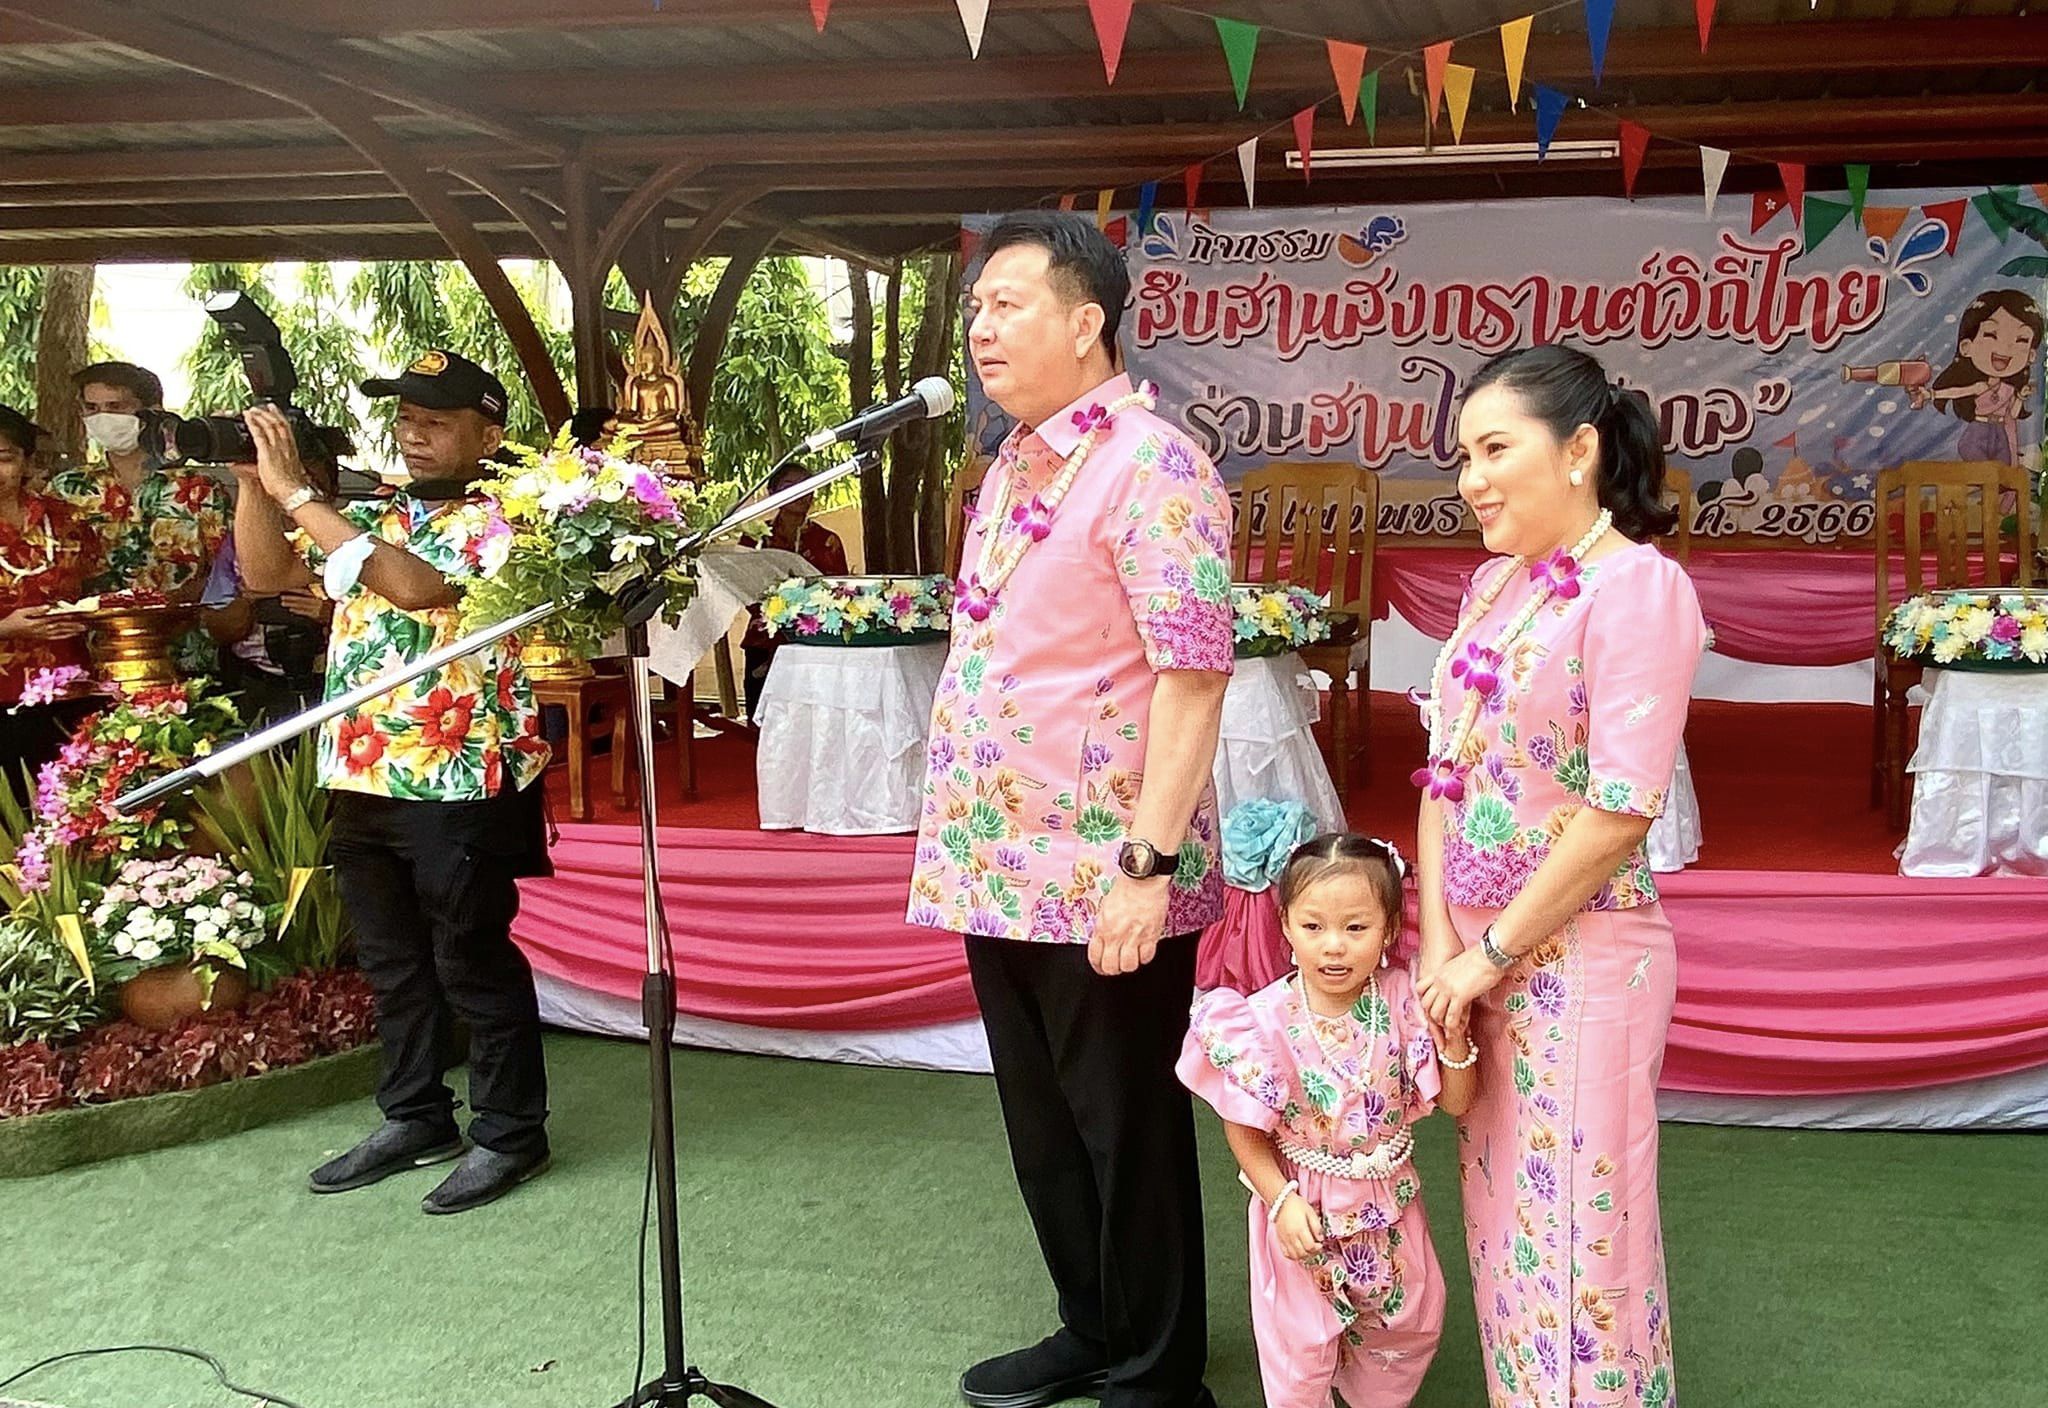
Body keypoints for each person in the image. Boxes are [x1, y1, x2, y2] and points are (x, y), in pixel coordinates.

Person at [910, 211, 1233, 1408]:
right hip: (997, 862)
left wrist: (1145, 865)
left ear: (1086, 321)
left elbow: (1192, 681)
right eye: (975, 309)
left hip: (1106, 871)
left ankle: (1156, 1372)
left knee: (1124, 1127)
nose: (981, 329)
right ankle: (1090, 1326)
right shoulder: (1011, 465)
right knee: (1043, 1125)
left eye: (1008, 304)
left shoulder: (1155, 468)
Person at [1412, 345, 1705, 1408]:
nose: (1471, 480)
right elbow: (1441, 770)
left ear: (1578, 450)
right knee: (1506, 1228)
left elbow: (1620, 810)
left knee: (1582, 1237)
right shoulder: (1494, 585)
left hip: (1580, 965)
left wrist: (1489, 952)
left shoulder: (1640, 588)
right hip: (1473, 964)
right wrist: (1439, 946)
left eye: (1495, 449)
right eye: (1463, 457)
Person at [232, 349, 554, 1215]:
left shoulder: (514, 513)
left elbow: (415, 587)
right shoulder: (376, 511)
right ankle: (416, 1116)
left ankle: (510, 1133)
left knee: (470, 958)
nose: (414, 434)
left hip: (457, 775)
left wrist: (298, 493)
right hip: (362, 768)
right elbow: (268, 578)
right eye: (406, 418)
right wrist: (254, 484)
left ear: (489, 435)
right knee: (392, 961)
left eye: (436, 421)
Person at [1178, 835, 1477, 1408]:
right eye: (1313, 926)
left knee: (1404, 1330)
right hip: (1302, 1209)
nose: (1334, 946)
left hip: (1388, 1207)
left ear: (1390, 929)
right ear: (1285, 925)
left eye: (1356, 927)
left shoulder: (1405, 1003)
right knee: (1300, 1348)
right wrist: (1280, 1199)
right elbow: (1243, 1127)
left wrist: (1456, 1038)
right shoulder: (1261, 1021)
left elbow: (1459, 1103)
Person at [48, 361, 229, 600]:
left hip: (181, 621)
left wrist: (174, 602)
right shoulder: (65, 489)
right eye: (92, 408)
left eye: (115, 407)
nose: (103, 417)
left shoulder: (198, 489)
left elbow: (228, 571)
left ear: (153, 412)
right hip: (90, 622)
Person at [0, 406, 92, 781]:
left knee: (69, 803)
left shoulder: (67, 519)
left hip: (71, 693)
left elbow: (95, 592)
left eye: (4, 459)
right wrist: (6, 628)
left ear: (26, 461)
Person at [739, 462, 848, 720]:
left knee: (811, 719)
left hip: (814, 641)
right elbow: (743, 587)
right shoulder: (755, 540)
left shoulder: (827, 541)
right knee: (763, 719)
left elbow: (839, 592)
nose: (800, 492)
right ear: (773, 492)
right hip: (764, 637)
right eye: (790, 486)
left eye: (807, 486)